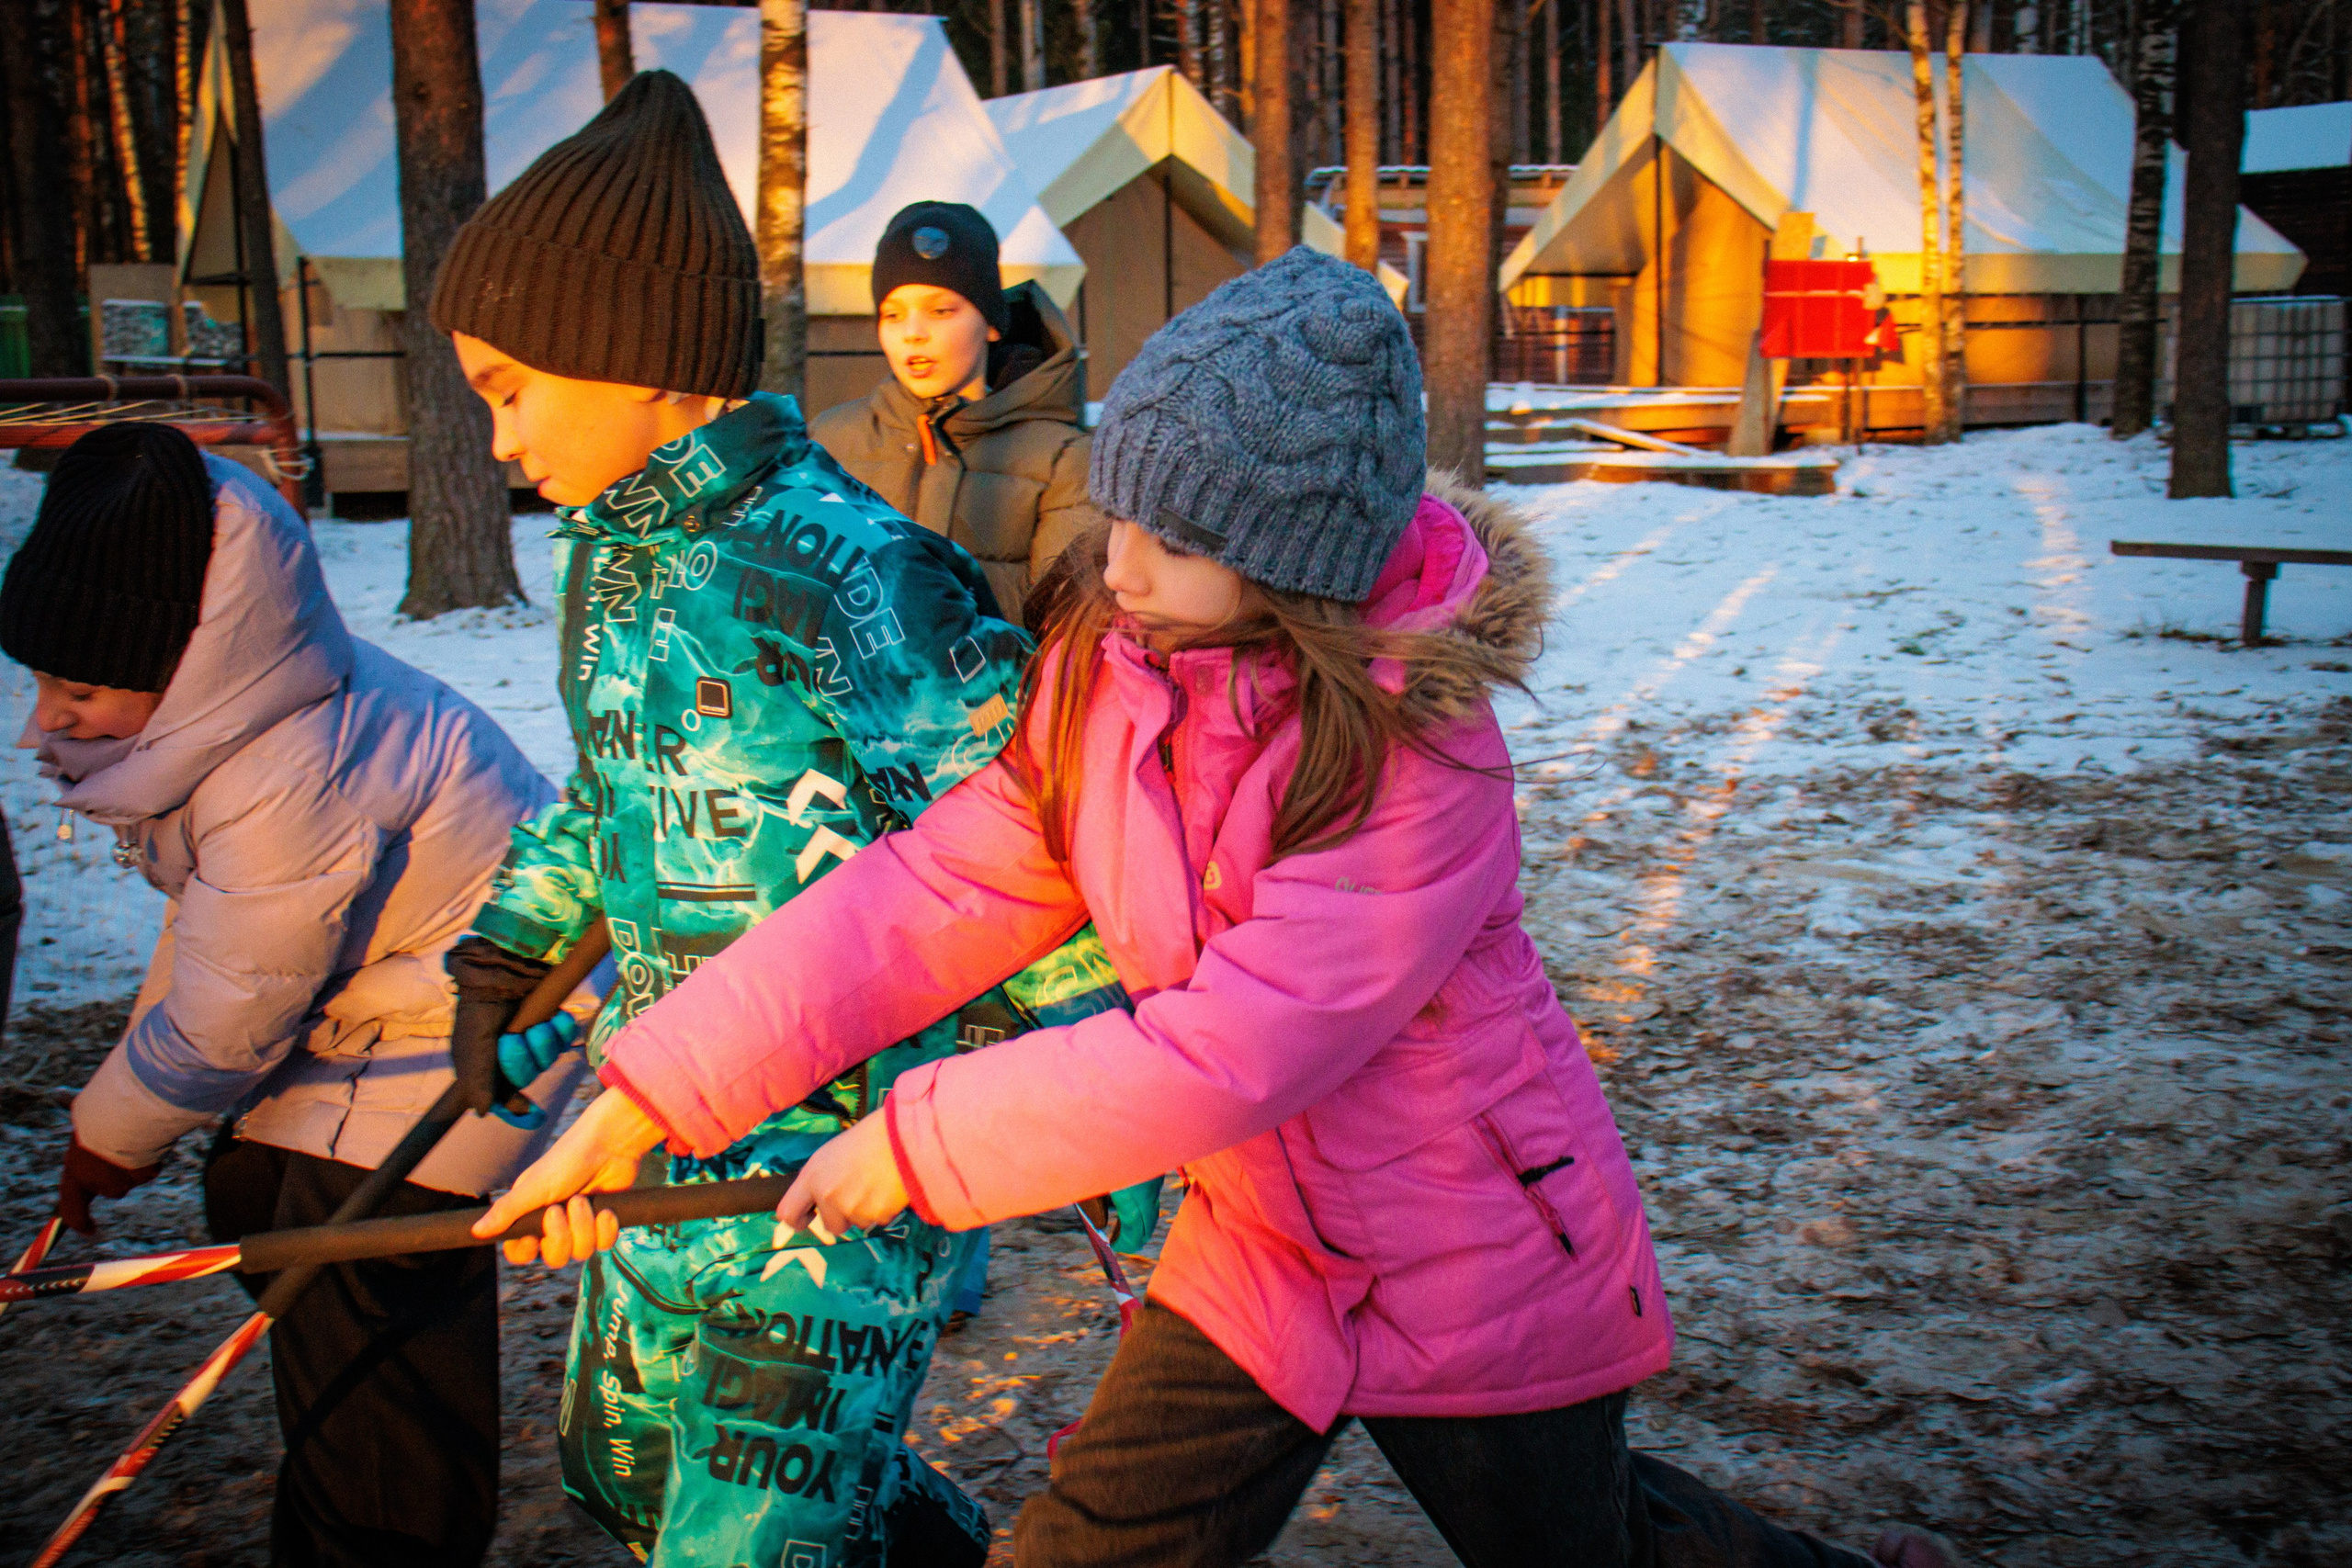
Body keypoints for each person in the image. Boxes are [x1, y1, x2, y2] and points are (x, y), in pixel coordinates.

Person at [480, 249, 1967, 1568]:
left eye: (1171, 541)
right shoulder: (1117, 665)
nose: (1117, 563)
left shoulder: (1416, 753)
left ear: (1292, 566)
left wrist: (917, 1144)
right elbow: (939, 883)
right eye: (1120, 512)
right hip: (1262, 1248)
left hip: (1465, 1248)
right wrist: (653, 1089)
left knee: (1591, 1549)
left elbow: (1235, 1047)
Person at [429, 70, 1141, 1568]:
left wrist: (1144, 1159)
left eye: (507, 388)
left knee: (749, 1543)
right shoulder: (608, 565)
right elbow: (610, 787)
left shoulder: (855, 571)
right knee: (619, 1475)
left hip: (837, 1172)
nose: (496, 439)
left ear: (628, 357)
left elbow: (1038, 853)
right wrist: (511, 950)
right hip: (659, 1123)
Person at [2, 421, 584, 1566]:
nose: (43, 722)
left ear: (183, 669)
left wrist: (111, 1138)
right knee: (259, 1198)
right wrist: (116, 1123)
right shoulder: (243, 716)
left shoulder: (287, 767)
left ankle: (383, 1534)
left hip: (470, 1022)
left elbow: (234, 1011)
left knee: (360, 1282)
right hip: (372, 1005)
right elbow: (218, 949)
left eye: (79, 689)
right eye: (41, 684)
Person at [810, 200, 1099, 629]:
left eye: (941, 311)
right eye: (893, 314)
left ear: (991, 323)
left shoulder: (1064, 460)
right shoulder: (829, 441)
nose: (913, 333)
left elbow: (1064, 634)